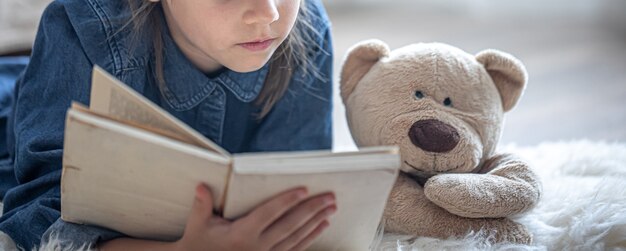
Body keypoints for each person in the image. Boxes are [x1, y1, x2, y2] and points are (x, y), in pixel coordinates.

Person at [0, 0, 335, 250]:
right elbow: (37, 219)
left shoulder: (307, 28)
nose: (268, 13)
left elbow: (295, 197)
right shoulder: (87, 24)